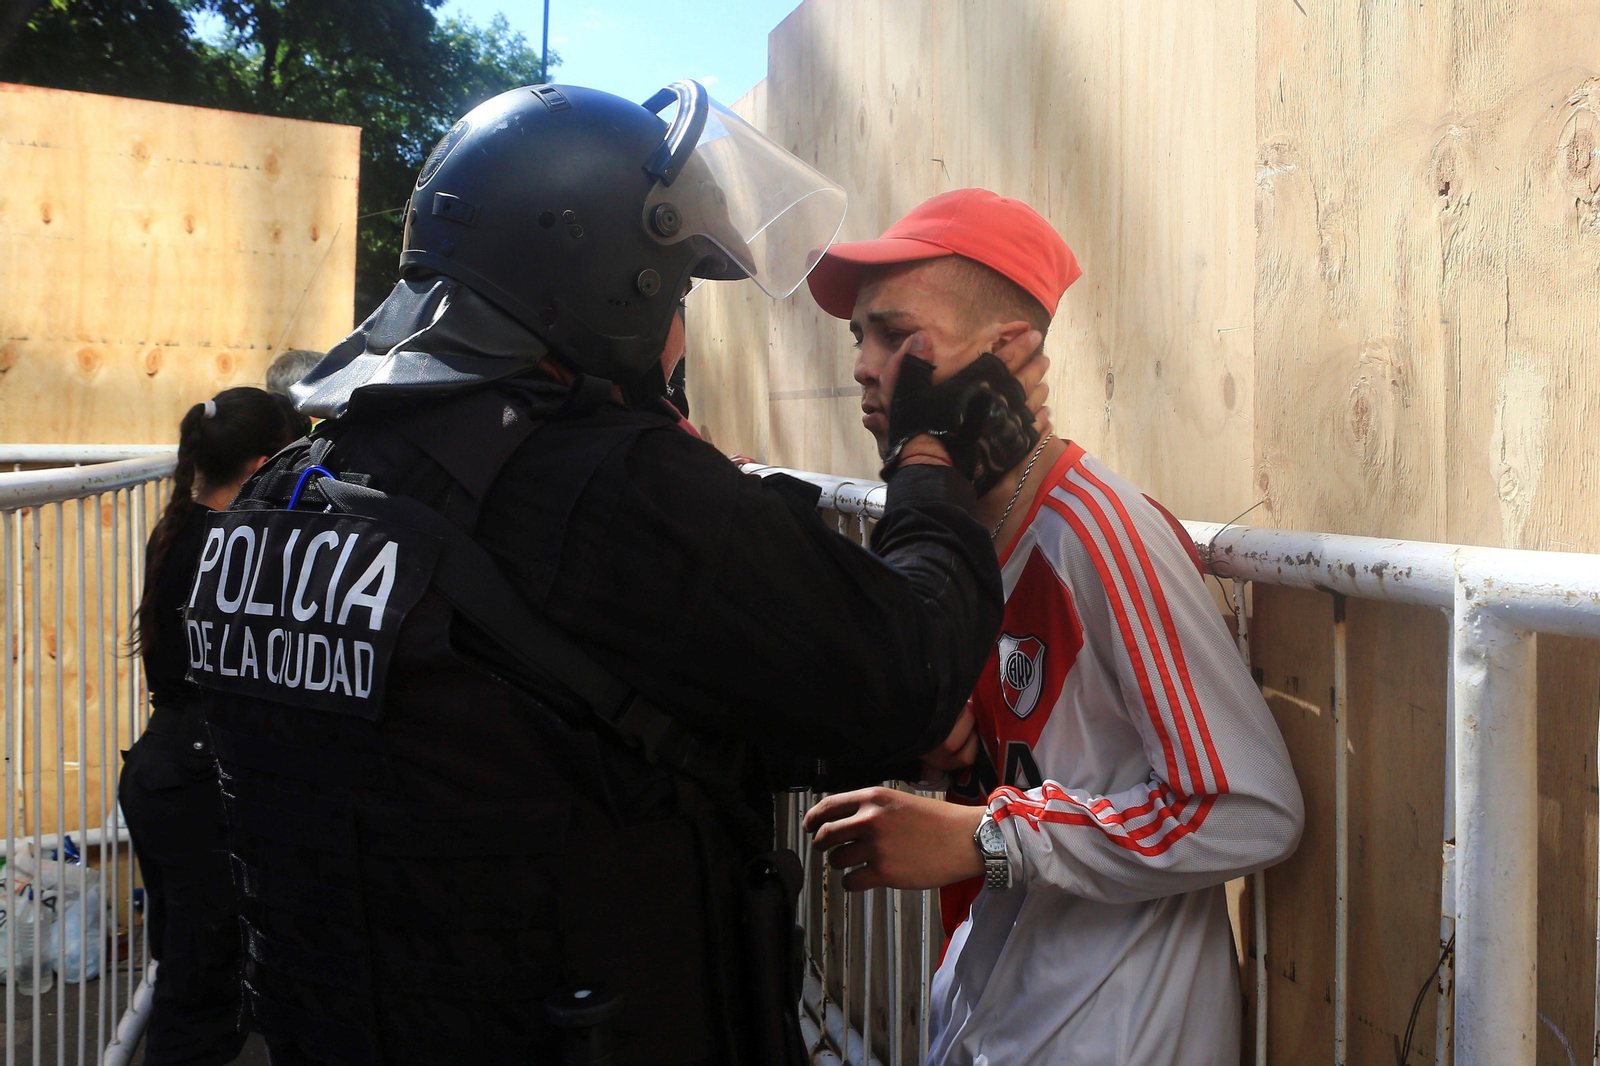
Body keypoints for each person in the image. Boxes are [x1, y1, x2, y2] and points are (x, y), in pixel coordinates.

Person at [183, 82, 1047, 1066]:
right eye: (676, 295)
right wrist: (932, 456)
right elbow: (905, 672)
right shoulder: (605, 484)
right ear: (610, 290)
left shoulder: (295, 486)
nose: (678, 334)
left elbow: (522, 720)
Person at [802, 189, 1305, 1066]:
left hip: (1116, 1029)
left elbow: (1247, 810)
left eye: (896, 334)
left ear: (1008, 352)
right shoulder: (962, 544)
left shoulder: (1098, 532)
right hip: (996, 1010)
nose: (864, 367)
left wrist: (984, 840)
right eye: (859, 338)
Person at [124, 386, 307, 1066]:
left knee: (193, 974)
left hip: (169, 769)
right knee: (201, 994)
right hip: (198, 782)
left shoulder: (182, 525)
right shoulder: (234, 544)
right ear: (262, 467)